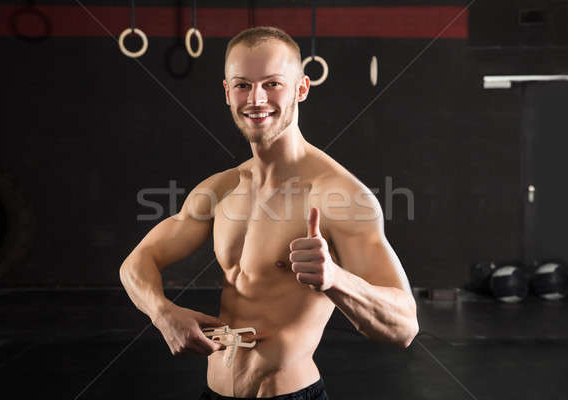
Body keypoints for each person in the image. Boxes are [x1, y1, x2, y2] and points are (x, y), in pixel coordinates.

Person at [120, 26, 419, 399]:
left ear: (301, 89)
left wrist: (336, 279)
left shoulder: (338, 194)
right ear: (228, 93)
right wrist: (162, 313)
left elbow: (405, 326)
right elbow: (136, 263)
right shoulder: (222, 187)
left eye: (272, 83)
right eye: (243, 85)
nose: (256, 98)